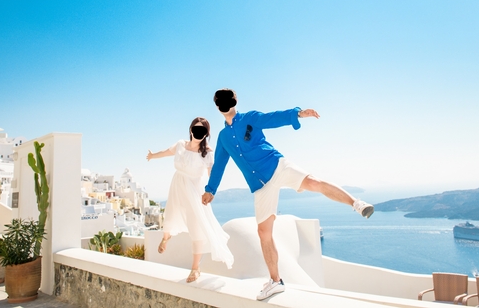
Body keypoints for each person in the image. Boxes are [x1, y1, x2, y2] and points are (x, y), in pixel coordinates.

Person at [201, 89, 374, 300]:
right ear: (218, 106)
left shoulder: (250, 118)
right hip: (260, 185)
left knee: (313, 182)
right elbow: (219, 164)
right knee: (263, 233)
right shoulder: (223, 137)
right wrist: (210, 189)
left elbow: (273, 118)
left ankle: (356, 203)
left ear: (234, 102)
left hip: (277, 166)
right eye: (220, 101)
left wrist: (298, 113)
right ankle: (276, 281)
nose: (224, 104)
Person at [147, 117, 233, 283]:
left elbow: (212, 174)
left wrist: (210, 192)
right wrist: (152, 156)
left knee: (196, 227)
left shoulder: (207, 152)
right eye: (196, 129)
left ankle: (195, 268)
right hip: (178, 185)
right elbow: (166, 152)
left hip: (194, 191)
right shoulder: (181, 144)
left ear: (206, 134)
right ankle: (166, 237)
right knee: (170, 215)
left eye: (202, 130)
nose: (198, 132)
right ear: (191, 130)